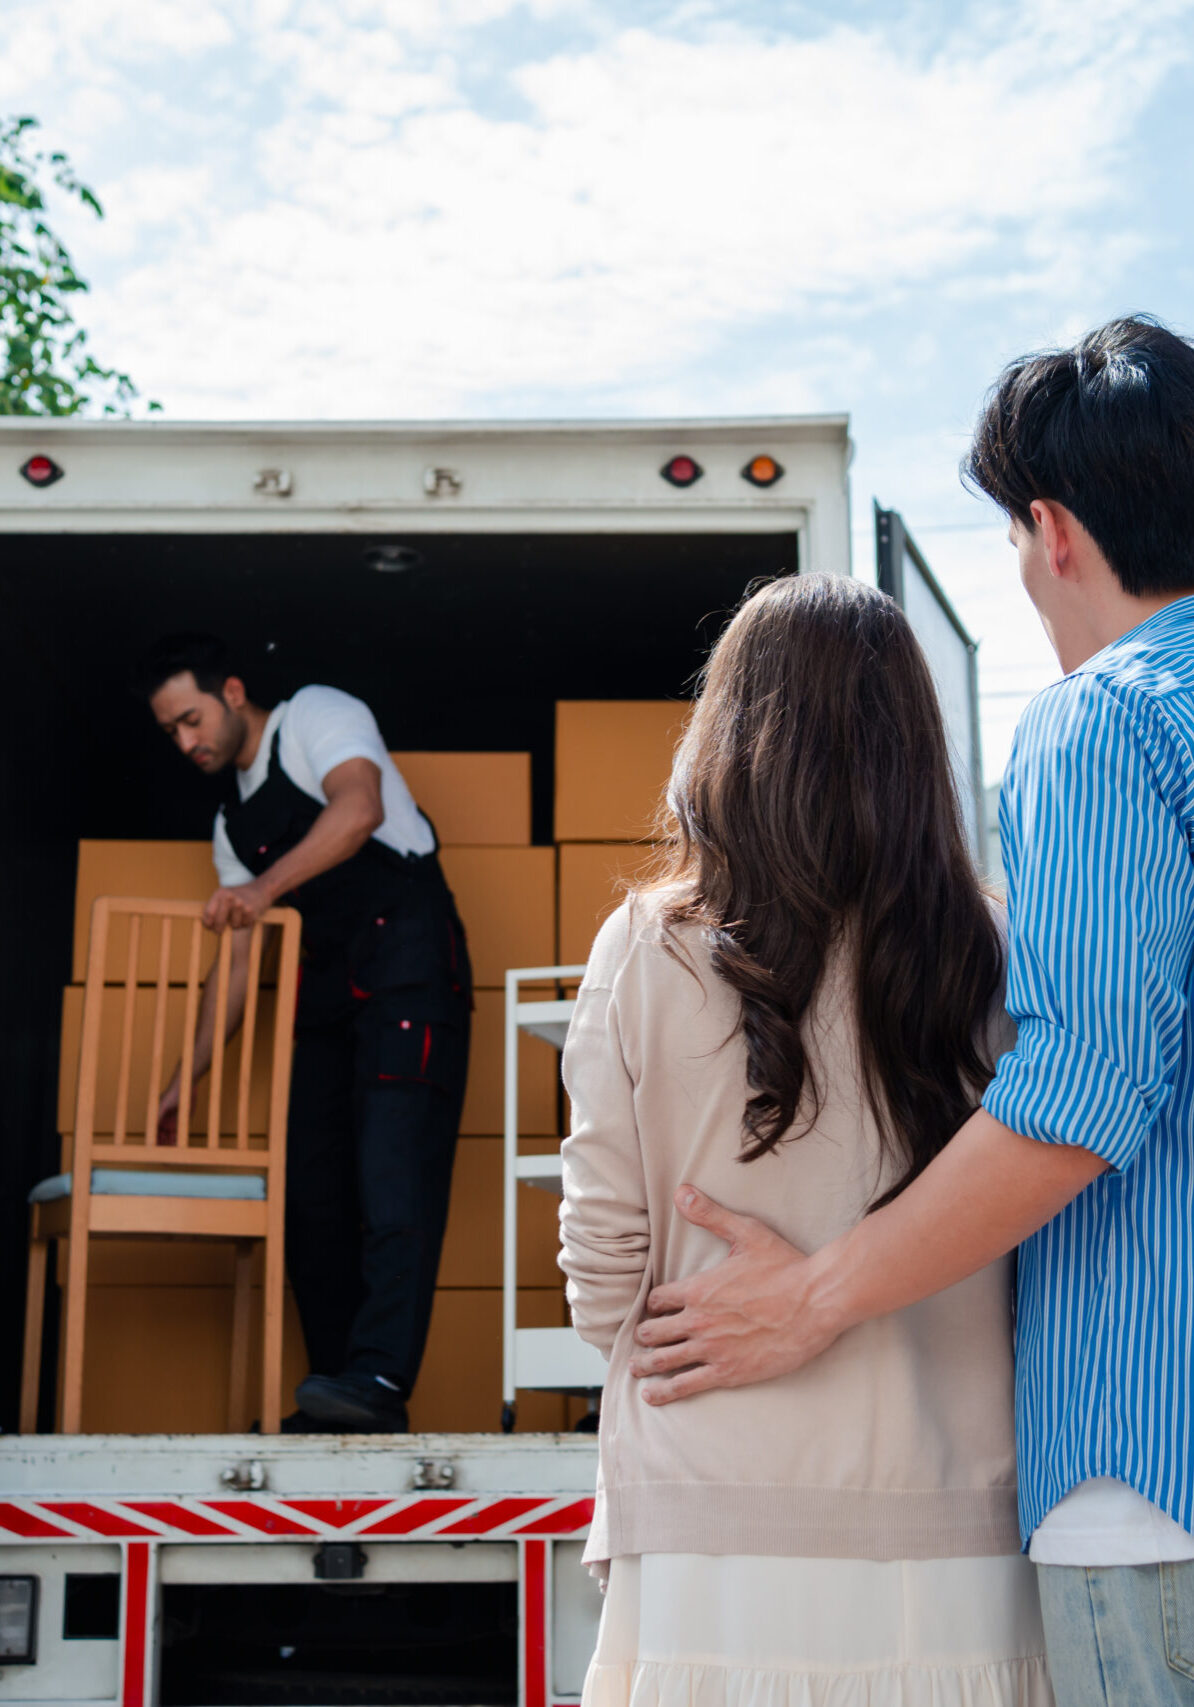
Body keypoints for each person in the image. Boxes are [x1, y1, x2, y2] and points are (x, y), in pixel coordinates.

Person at [629, 316, 1194, 1706]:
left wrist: (814, 1296)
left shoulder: (1101, 718)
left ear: (1050, 531)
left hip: (1152, 1463)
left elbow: (1084, 1087)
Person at [559, 573, 1052, 1706]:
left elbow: (601, 1282)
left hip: (707, 1522)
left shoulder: (646, 943)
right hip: (957, 1531)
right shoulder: (1001, 950)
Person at [133, 635, 472, 1432]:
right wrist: (186, 1081)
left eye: (191, 719)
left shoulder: (316, 714)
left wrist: (264, 887)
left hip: (408, 969)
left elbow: (361, 810)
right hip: (327, 995)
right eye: (172, 733)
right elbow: (239, 967)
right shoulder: (232, 823)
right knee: (311, 1194)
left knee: (395, 1180)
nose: (188, 742)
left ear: (234, 691)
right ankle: (337, 1390)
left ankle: (380, 1379)